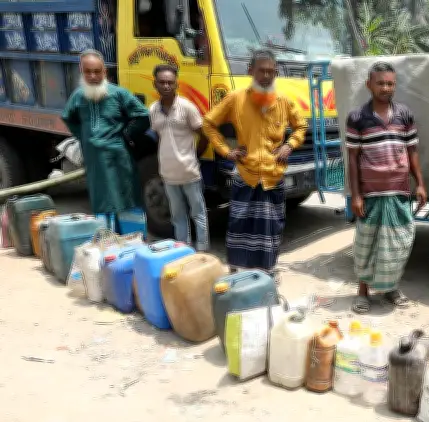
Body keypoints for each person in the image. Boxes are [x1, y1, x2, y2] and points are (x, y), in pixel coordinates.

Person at [202, 49, 307, 274]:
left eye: (271, 71)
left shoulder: (283, 101)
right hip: (245, 174)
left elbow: (301, 126)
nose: (267, 76)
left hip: (273, 175)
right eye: (262, 71)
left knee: (271, 227)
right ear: (251, 71)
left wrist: (290, 145)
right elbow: (208, 123)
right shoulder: (235, 98)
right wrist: (225, 151)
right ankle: (239, 272)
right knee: (240, 224)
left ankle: (267, 271)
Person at [345, 62, 427, 314]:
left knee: (396, 245)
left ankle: (391, 287)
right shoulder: (357, 118)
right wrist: (356, 195)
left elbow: (412, 151)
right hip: (370, 194)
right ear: (369, 84)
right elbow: (353, 159)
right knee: (366, 245)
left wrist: (420, 184)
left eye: (390, 83)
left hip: (398, 190)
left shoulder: (404, 114)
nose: (385, 88)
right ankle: (362, 292)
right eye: (380, 83)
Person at [61, 49, 150, 227]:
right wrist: (83, 136)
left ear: (105, 72)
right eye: (88, 72)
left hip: (118, 156)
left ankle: (133, 241)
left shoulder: (119, 94)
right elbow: (68, 117)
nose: (93, 76)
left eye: (97, 71)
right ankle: (108, 243)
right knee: (101, 200)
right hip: (94, 160)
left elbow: (143, 115)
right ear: (82, 72)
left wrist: (126, 134)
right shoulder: (78, 96)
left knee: (127, 197)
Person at [148, 64, 209, 251]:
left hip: (189, 172)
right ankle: (183, 251)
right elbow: (160, 138)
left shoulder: (187, 108)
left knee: (198, 214)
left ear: (176, 85)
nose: (166, 86)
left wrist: (194, 156)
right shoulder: (153, 110)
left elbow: (205, 135)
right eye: (162, 82)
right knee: (178, 217)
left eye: (170, 83)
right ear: (155, 85)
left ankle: (202, 252)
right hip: (168, 174)